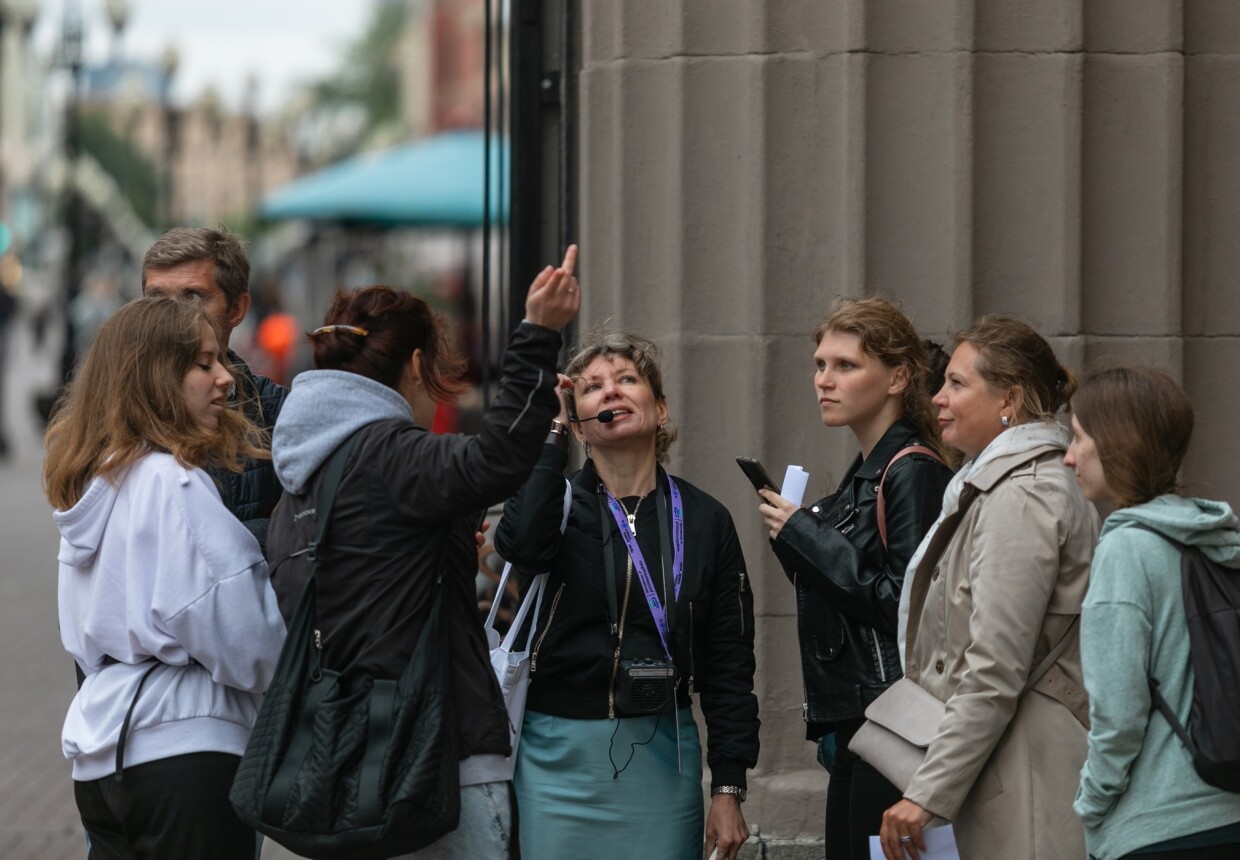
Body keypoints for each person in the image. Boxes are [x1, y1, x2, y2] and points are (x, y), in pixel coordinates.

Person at [265, 248, 581, 858]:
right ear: (414, 364)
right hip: (437, 755)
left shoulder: (304, 474)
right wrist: (538, 333)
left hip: (346, 758)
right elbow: (497, 459)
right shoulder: (391, 452)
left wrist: (443, 545)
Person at [495, 326, 761, 860]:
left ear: (660, 410)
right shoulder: (555, 503)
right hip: (554, 757)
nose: (610, 391)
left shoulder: (705, 519)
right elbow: (522, 546)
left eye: (627, 380)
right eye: (592, 387)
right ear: (579, 425)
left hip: (664, 755)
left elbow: (729, 663)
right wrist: (550, 438)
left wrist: (728, 786)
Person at [45, 296, 286, 859]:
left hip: (101, 755)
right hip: (186, 750)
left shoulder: (96, 487)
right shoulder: (173, 483)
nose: (225, 378)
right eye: (203, 364)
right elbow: (250, 640)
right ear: (155, 378)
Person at [879, 315, 1097, 860]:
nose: (937, 398)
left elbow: (995, 668)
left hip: (1025, 775)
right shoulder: (1001, 484)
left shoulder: (1023, 493)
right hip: (1003, 763)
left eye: (957, 383)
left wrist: (927, 792)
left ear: (1011, 399)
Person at [754, 297, 954, 859]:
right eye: (820, 365)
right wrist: (800, 537)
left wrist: (804, 534)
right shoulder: (866, 474)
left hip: (897, 720)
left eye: (845, 365)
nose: (824, 380)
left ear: (898, 378)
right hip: (861, 722)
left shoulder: (912, 470)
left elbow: (903, 605)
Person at [1066, 367, 1240, 859]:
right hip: (1228, 810)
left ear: (1116, 443)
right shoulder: (1217, 539)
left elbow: (1118, 714)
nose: (1068, 456)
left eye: (1078, 438)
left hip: (1158, 824)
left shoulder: (1125, 550)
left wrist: (1091, 805)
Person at [141, 226, 287, 550]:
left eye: (192, 297)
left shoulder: (279, 416)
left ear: (237, 309)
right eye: (157, 299)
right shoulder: (112, 413)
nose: (171, 317)